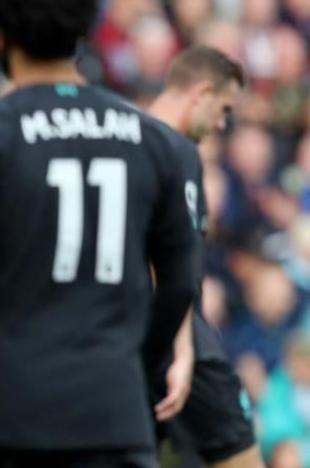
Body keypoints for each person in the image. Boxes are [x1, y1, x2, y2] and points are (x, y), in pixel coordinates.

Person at [0, 0, 197, 466]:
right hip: (112, 414)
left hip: (0, 415)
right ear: (84, 31)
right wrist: (139, 369)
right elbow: (181, 280)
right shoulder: (154, 140)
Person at [148, 46, 264, 468]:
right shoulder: (176, 152)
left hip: (127, 338)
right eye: (223, 109)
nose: (221, 124)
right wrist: (183, 348)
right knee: (239, 452)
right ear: (201, 93)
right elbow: (167, 259)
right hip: (179, 337)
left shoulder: (126, 142)